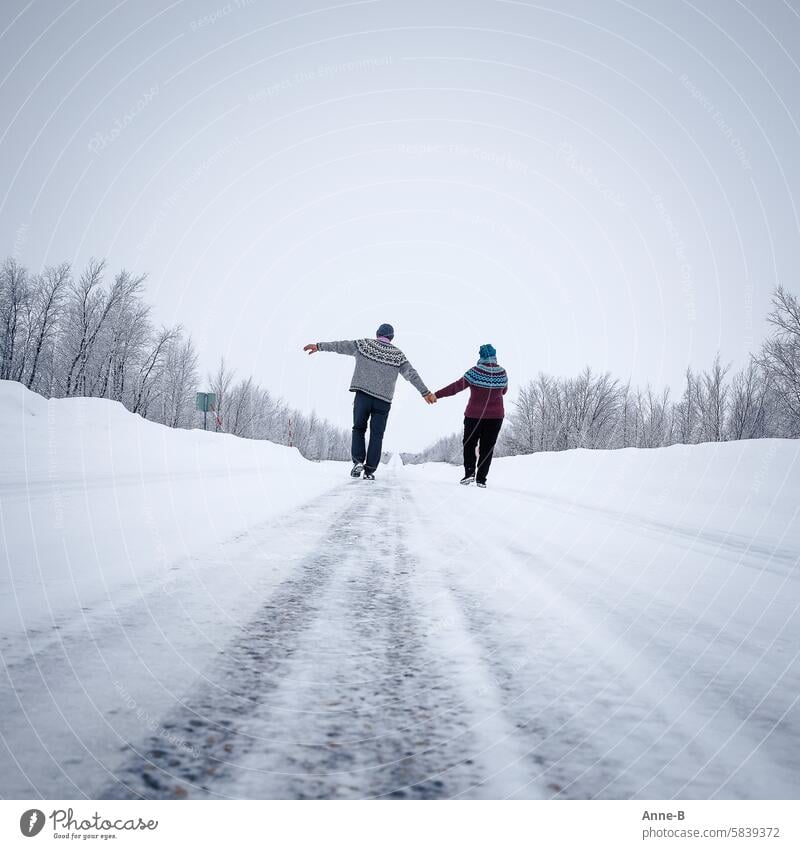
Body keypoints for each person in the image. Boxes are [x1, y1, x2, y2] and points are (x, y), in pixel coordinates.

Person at [303, 323, 436, 480]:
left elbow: (340, 346)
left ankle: (358, 462)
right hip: (383, 402)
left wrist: (319, 346)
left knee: (358, 429)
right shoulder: (398, 355)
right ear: (391, 338)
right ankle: (370, 470)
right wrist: (425, 392)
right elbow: (411, 374)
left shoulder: (363, 345)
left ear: (377, 333)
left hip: (363, 396)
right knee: (377, 435)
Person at [434, 344, 508, 488]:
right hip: (496, 417)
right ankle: (481, 479)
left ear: (481, 356)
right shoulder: (502, 372)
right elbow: (504, 391)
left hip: (474, 415)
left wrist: (437, 395)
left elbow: (456, 387)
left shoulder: (475, 372)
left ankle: (469, 474)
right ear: (494, 356)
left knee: (469, 444)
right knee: (487, 448)